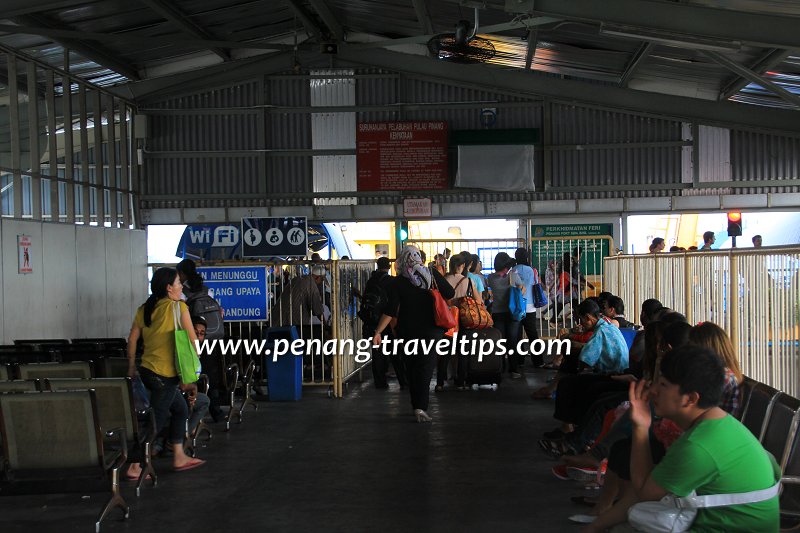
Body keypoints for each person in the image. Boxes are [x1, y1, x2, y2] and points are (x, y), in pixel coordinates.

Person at [584, 346, 780, 532]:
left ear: (690, 399)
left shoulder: (697, 446)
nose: (653, 391)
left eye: (663, 384)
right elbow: (646, 489)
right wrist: (595, 526)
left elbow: (644, 492)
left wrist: (641, 427)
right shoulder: (719, 424)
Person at [126, 267, 205, 477]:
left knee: (180, 410)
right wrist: (195, 358)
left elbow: (133, 339)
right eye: (179, 283)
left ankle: (179, 455)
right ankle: (135, 465)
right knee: (157, 421)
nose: (181, 287)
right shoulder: (179, 308)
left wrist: (131, 366)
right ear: (169, 288)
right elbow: (192, 339)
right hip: (165, 374)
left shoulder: (145, 308)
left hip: (147, 371)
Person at [371, 245, 455, 423]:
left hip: (407, 332)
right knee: (425, 369)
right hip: (431, 331)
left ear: (402, 260)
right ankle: (420, 407)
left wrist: (378, 331)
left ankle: (416, 403)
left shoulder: (398, 281)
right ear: (419, 258)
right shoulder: (431, 274)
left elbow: (391, 311)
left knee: (412, 368)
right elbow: (450, 293)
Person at [361, 257, 406, 390]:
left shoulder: (371, 281)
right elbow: (395, 303)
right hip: (388, 321)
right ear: (389, 266)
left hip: (372, 321)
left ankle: (380, 382)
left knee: (378, 353)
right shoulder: (391, 281)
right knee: (395, 352)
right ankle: (403, 381)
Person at [487, 252, 524, 378]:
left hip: (498, 313)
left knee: (500, 342)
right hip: (512, 313)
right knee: (512, 341)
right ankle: (514, 369)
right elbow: (521, 289)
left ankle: (500, 367)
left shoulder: (491, 278)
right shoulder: (513, 276)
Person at [512, 248, 541, 366]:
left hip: (517, 306)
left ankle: (519, 360)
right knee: (532, 334)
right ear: (527, 257)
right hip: (530, 306)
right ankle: (538, 361)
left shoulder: (513, 270)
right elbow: (535, 284)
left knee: (517, 335)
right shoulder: (532, 271)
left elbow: (512, 287)